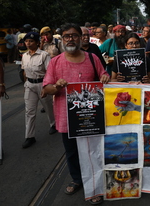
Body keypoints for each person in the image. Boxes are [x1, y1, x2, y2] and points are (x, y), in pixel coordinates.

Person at [42, 23, 109, 205]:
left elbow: (104, 78)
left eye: (74, 35)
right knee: (71, 152)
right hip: (66, 117)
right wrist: (56, 86)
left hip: (91, 117)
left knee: (93, 151)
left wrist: (105, 78)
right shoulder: (55, 62)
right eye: (66, 36)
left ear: (81, 38)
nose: (70, 39)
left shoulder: (93, 58)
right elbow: (47, 88)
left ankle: (96, 183)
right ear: (62, 40)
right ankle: (78, 179)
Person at [21, 32, 56, 149]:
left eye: (31, 41)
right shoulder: (24, 56)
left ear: (37, 42)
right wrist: (25, 84)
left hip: (42, 84)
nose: (28, 44)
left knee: (48, 107)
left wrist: (46, 87)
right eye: (26, 41)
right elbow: (24, 72)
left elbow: (50, 73)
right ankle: (30, 136)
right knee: (29, 111)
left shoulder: (44, 55)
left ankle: (53, 124)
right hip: (29, 85)